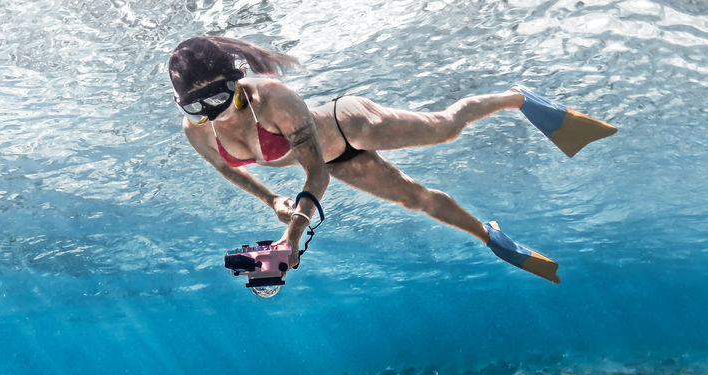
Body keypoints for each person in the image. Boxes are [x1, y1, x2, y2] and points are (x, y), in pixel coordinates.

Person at [168, 36, 616, 284]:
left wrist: (289, 238)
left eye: (221, 97)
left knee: (445, 128)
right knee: (413, 199)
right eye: (196, 107)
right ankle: (491, 237)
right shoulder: (197, 133)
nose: (213, 114)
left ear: (237, 79)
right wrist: (272, 201)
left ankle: (517, 97)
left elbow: (316, 171)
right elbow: (226, 170)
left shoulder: (274, 99)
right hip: (342, 161)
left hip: (349, 126)